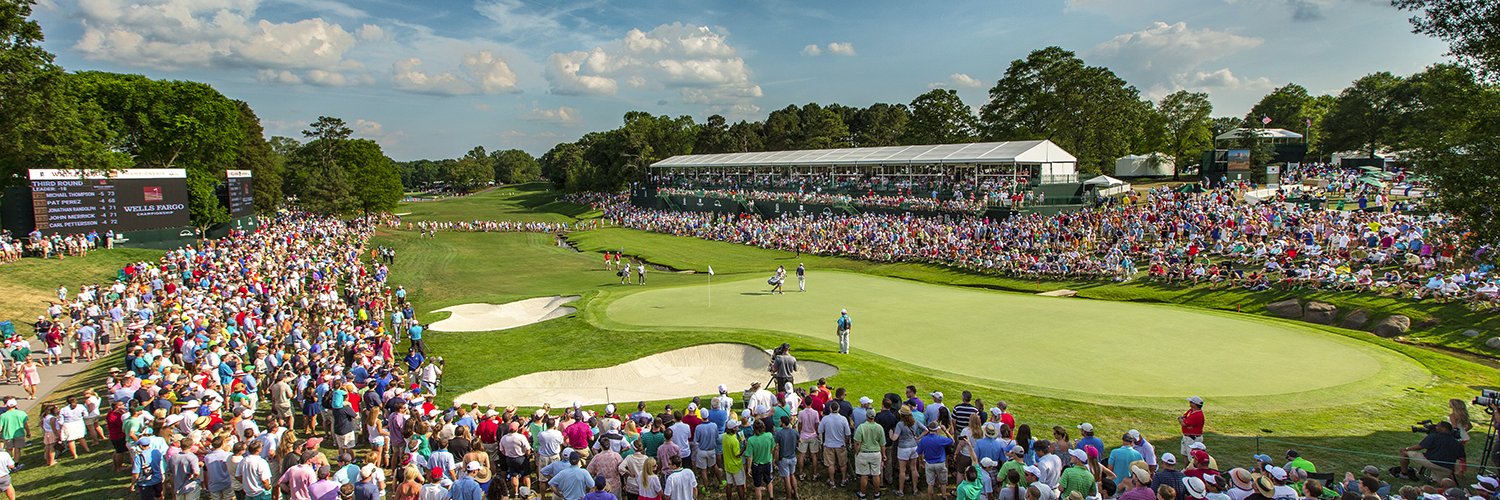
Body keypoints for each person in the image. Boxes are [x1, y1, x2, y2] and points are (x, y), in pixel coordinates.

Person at [1392, 420, 1463, 482]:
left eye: (1438, 426)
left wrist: (1406, 449)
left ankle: (1404, 474)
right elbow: (1461, 458)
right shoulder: (1458, 443)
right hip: (1447, 469)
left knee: (1404, 453)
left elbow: (1420, 447)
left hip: (1431, 462)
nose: (1436, 427)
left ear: (1444, 428)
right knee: (1442, 484)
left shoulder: (1434, 436)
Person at [854, 410, 888, 499]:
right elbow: (882, 443)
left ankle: (863, 494)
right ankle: (876, 494)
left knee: (864, 475)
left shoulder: (861, 427)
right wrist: (883, 454)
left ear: (866, 416)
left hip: (863, 453)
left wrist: (856, 452)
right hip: (876, 454)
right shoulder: (879, 427)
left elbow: (857, 443)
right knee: (876, 474)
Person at [917, 421, 953, 499]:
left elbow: (919, 452)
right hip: (940, 463)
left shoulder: (924, 440)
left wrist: (920, 462)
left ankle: (930, 498)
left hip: (929, 463)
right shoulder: (941, 439)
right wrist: (946, 431)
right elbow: (952, 440)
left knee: (930, 484)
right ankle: (944, 496)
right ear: (937, 430)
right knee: (943, 482)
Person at [745, 420, 777, 500]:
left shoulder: (751, 440)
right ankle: (771, 497)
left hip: (757, 466)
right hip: (767, 463)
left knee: (757, 485)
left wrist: (748, 468)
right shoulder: (769, 435)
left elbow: (750, 456)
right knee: (769, 481)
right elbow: (773, 447)